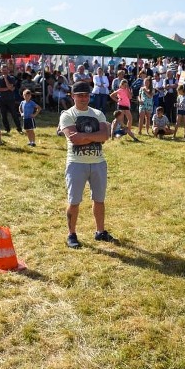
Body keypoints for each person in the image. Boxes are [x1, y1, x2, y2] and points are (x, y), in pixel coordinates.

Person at [59, 81, 114, 249]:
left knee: (99, 200)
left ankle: (100, 231)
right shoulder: (67, 115)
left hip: (98, 163)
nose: (83, 98)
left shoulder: (98, 113)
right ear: (73, 96)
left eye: (86, 95)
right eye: (80, 95)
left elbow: (106, 135)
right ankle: (72, 234)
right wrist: (94, 136)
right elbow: (73, 139)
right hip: (76, 164)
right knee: (74, 201)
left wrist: (84, 136)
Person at [0, 64, 22, 134]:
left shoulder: (12, 78)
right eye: (3, 70)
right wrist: (8, 88)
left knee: (14, 114)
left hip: (10, 99)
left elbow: (11, 87)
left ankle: (19, 128)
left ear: (8, 70)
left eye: (5, 70)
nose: (4, 71)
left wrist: (6, 79)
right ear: (1, 70)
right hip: (1, 99)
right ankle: (7, 129)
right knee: (3, 115)